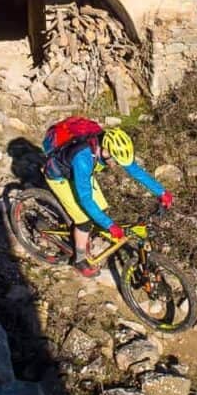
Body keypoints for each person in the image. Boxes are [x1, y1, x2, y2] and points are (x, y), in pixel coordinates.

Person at [41, 118, 173, 277]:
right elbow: (86, 199)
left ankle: (83, 236)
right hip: (59, 176)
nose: (117, 165)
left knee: (101, 208)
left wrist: (162, 192)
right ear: (105, 150)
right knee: (84, 220)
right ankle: (79, 260)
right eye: (116, 161)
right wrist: (110, 225)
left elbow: (135, 171)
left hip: (81, 172)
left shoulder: (110, 148)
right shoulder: (83, 158)